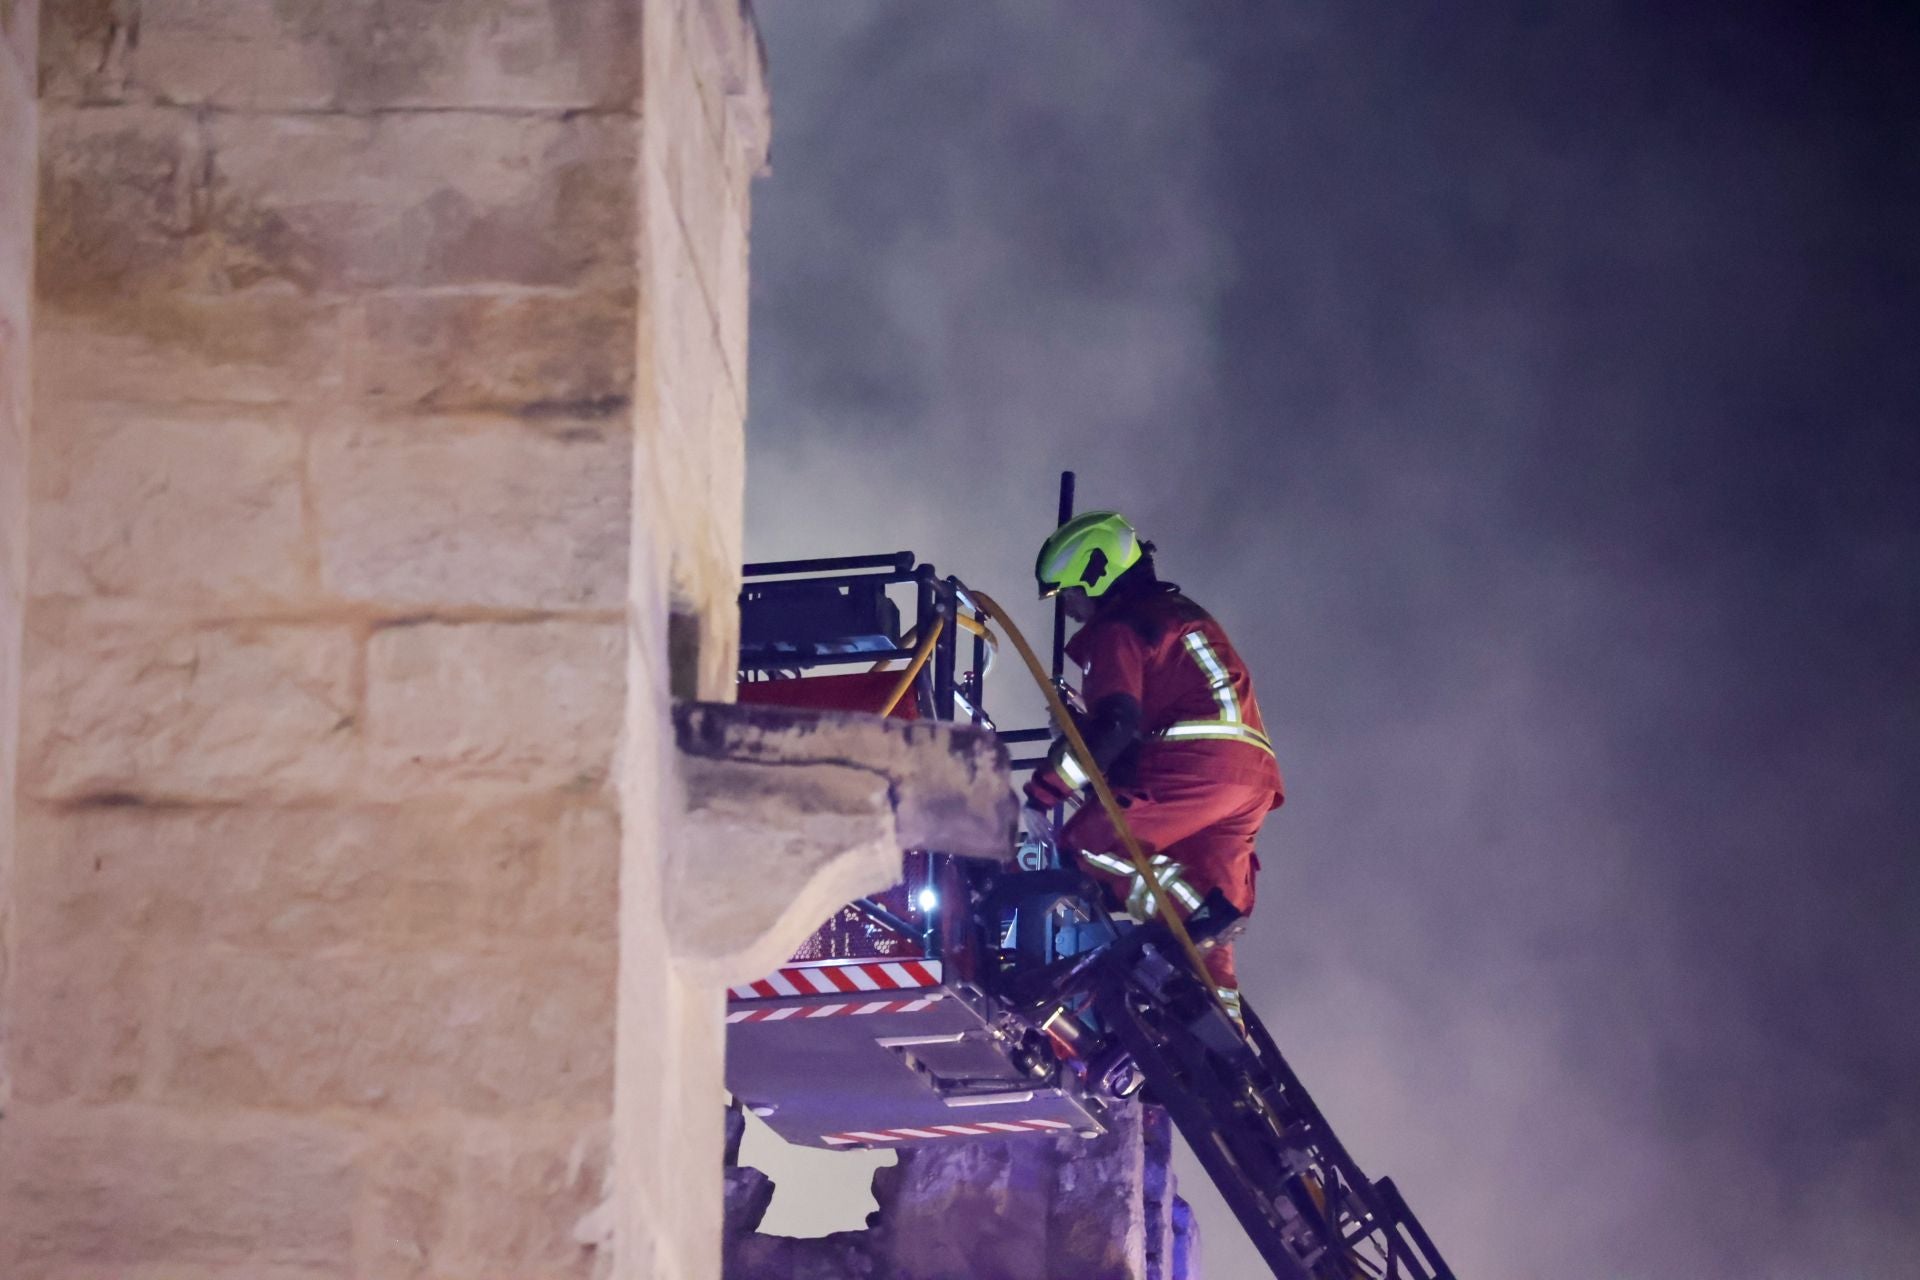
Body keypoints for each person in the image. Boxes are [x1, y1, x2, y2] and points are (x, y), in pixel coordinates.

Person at [1023, 511, 1284, 1024]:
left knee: (1090, 843)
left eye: (1069, 593)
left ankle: (1197, 917)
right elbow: (1138, 726)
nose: (1071, 610)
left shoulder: (1116, 629)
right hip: (1245, 778)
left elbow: (1116, 725)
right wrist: (1082, 725)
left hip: (1197, 765)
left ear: (1096, 574)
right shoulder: (1176, 614)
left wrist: (1045, 790)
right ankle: (1227, 1046)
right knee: (1210, 942)